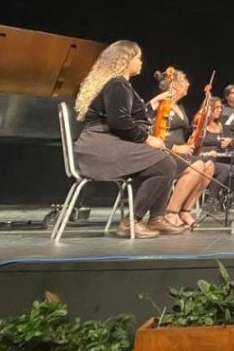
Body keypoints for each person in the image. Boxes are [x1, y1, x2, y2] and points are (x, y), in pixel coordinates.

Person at [72, 41, 181, 238]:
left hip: (102, 142)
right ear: (125, 60)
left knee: (164, 161)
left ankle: (156, 218)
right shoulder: (117, 84)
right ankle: (132, 222)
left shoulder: (118, 84)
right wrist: (147, 139)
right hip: (100, 146)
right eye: (138, 58)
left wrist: (152, 105)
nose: (141, 62)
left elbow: (129, 116)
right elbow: (119, 121)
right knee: (165, 164)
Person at [148, 70, 216, 229]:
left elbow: (187, 131)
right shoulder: (161, 105)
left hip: (182, 152)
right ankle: (171, 212)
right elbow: (151, 134)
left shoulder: (180, 107)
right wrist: (175, 148)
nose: (188, 84)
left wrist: (202, 121)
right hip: (164, 153)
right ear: (175, 85)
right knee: (197, 165)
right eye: (184, 81)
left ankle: (185, 210)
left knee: (209, 166)